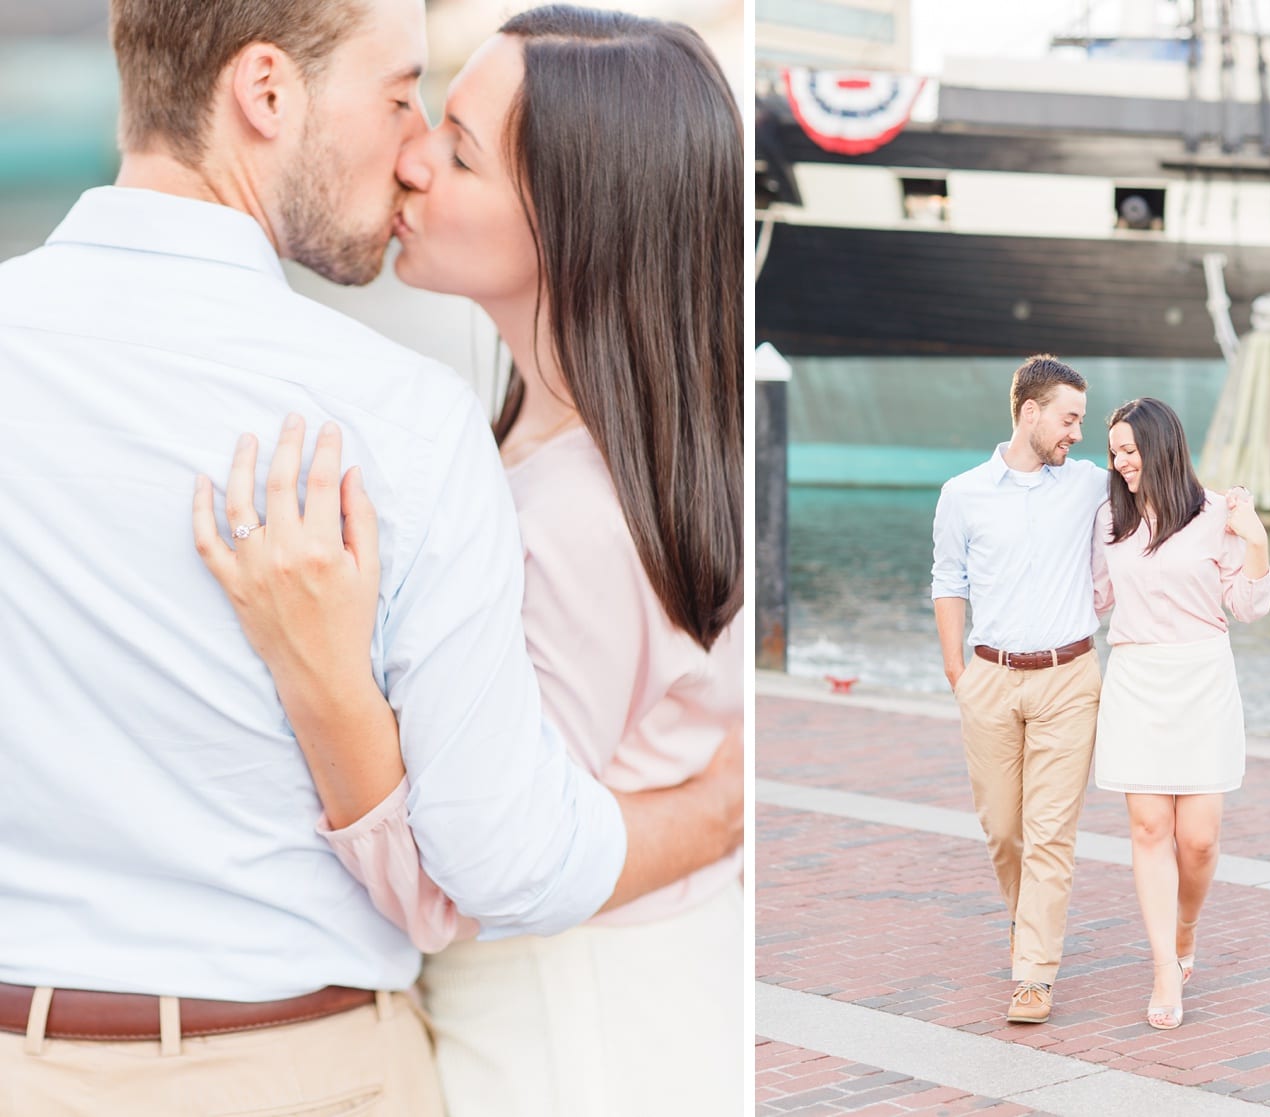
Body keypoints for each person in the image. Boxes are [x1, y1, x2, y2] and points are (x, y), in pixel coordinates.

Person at [0, 1, 737, 1112]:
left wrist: (331, 681)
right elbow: (504, 859)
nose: (411, 156)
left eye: (450, 138)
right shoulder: (400, 421)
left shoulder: (541, 480)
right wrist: (715, 816)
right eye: (402, 98)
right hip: (311, 1064)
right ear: (265, 93)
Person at [932, 354, 1110, 1025]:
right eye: (1069, 419)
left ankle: (1033, 972)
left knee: (1049, 835)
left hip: (1071, 678)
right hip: (991, 679)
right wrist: (958, 672)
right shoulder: (963, 493)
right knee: (1003, 830)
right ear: (1030, 413)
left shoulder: (1090, 482)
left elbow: (1153, 487)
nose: (1077, 433)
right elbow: (948, 580)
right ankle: (1025, 922)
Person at [1091, 397, 1270, 1030]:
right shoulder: (1109, 520)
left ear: (1163, 448)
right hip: (1136, 677)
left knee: (1198, 840)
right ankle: (1165, 966)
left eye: (1129, 451)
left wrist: (1257, 542)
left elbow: (1247, 606)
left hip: (1202, 678)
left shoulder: (1218, 513)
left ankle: (1186, 927)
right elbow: (1094, 598)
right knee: (1148, 829)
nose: (1119, 463)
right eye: (1113, 452)